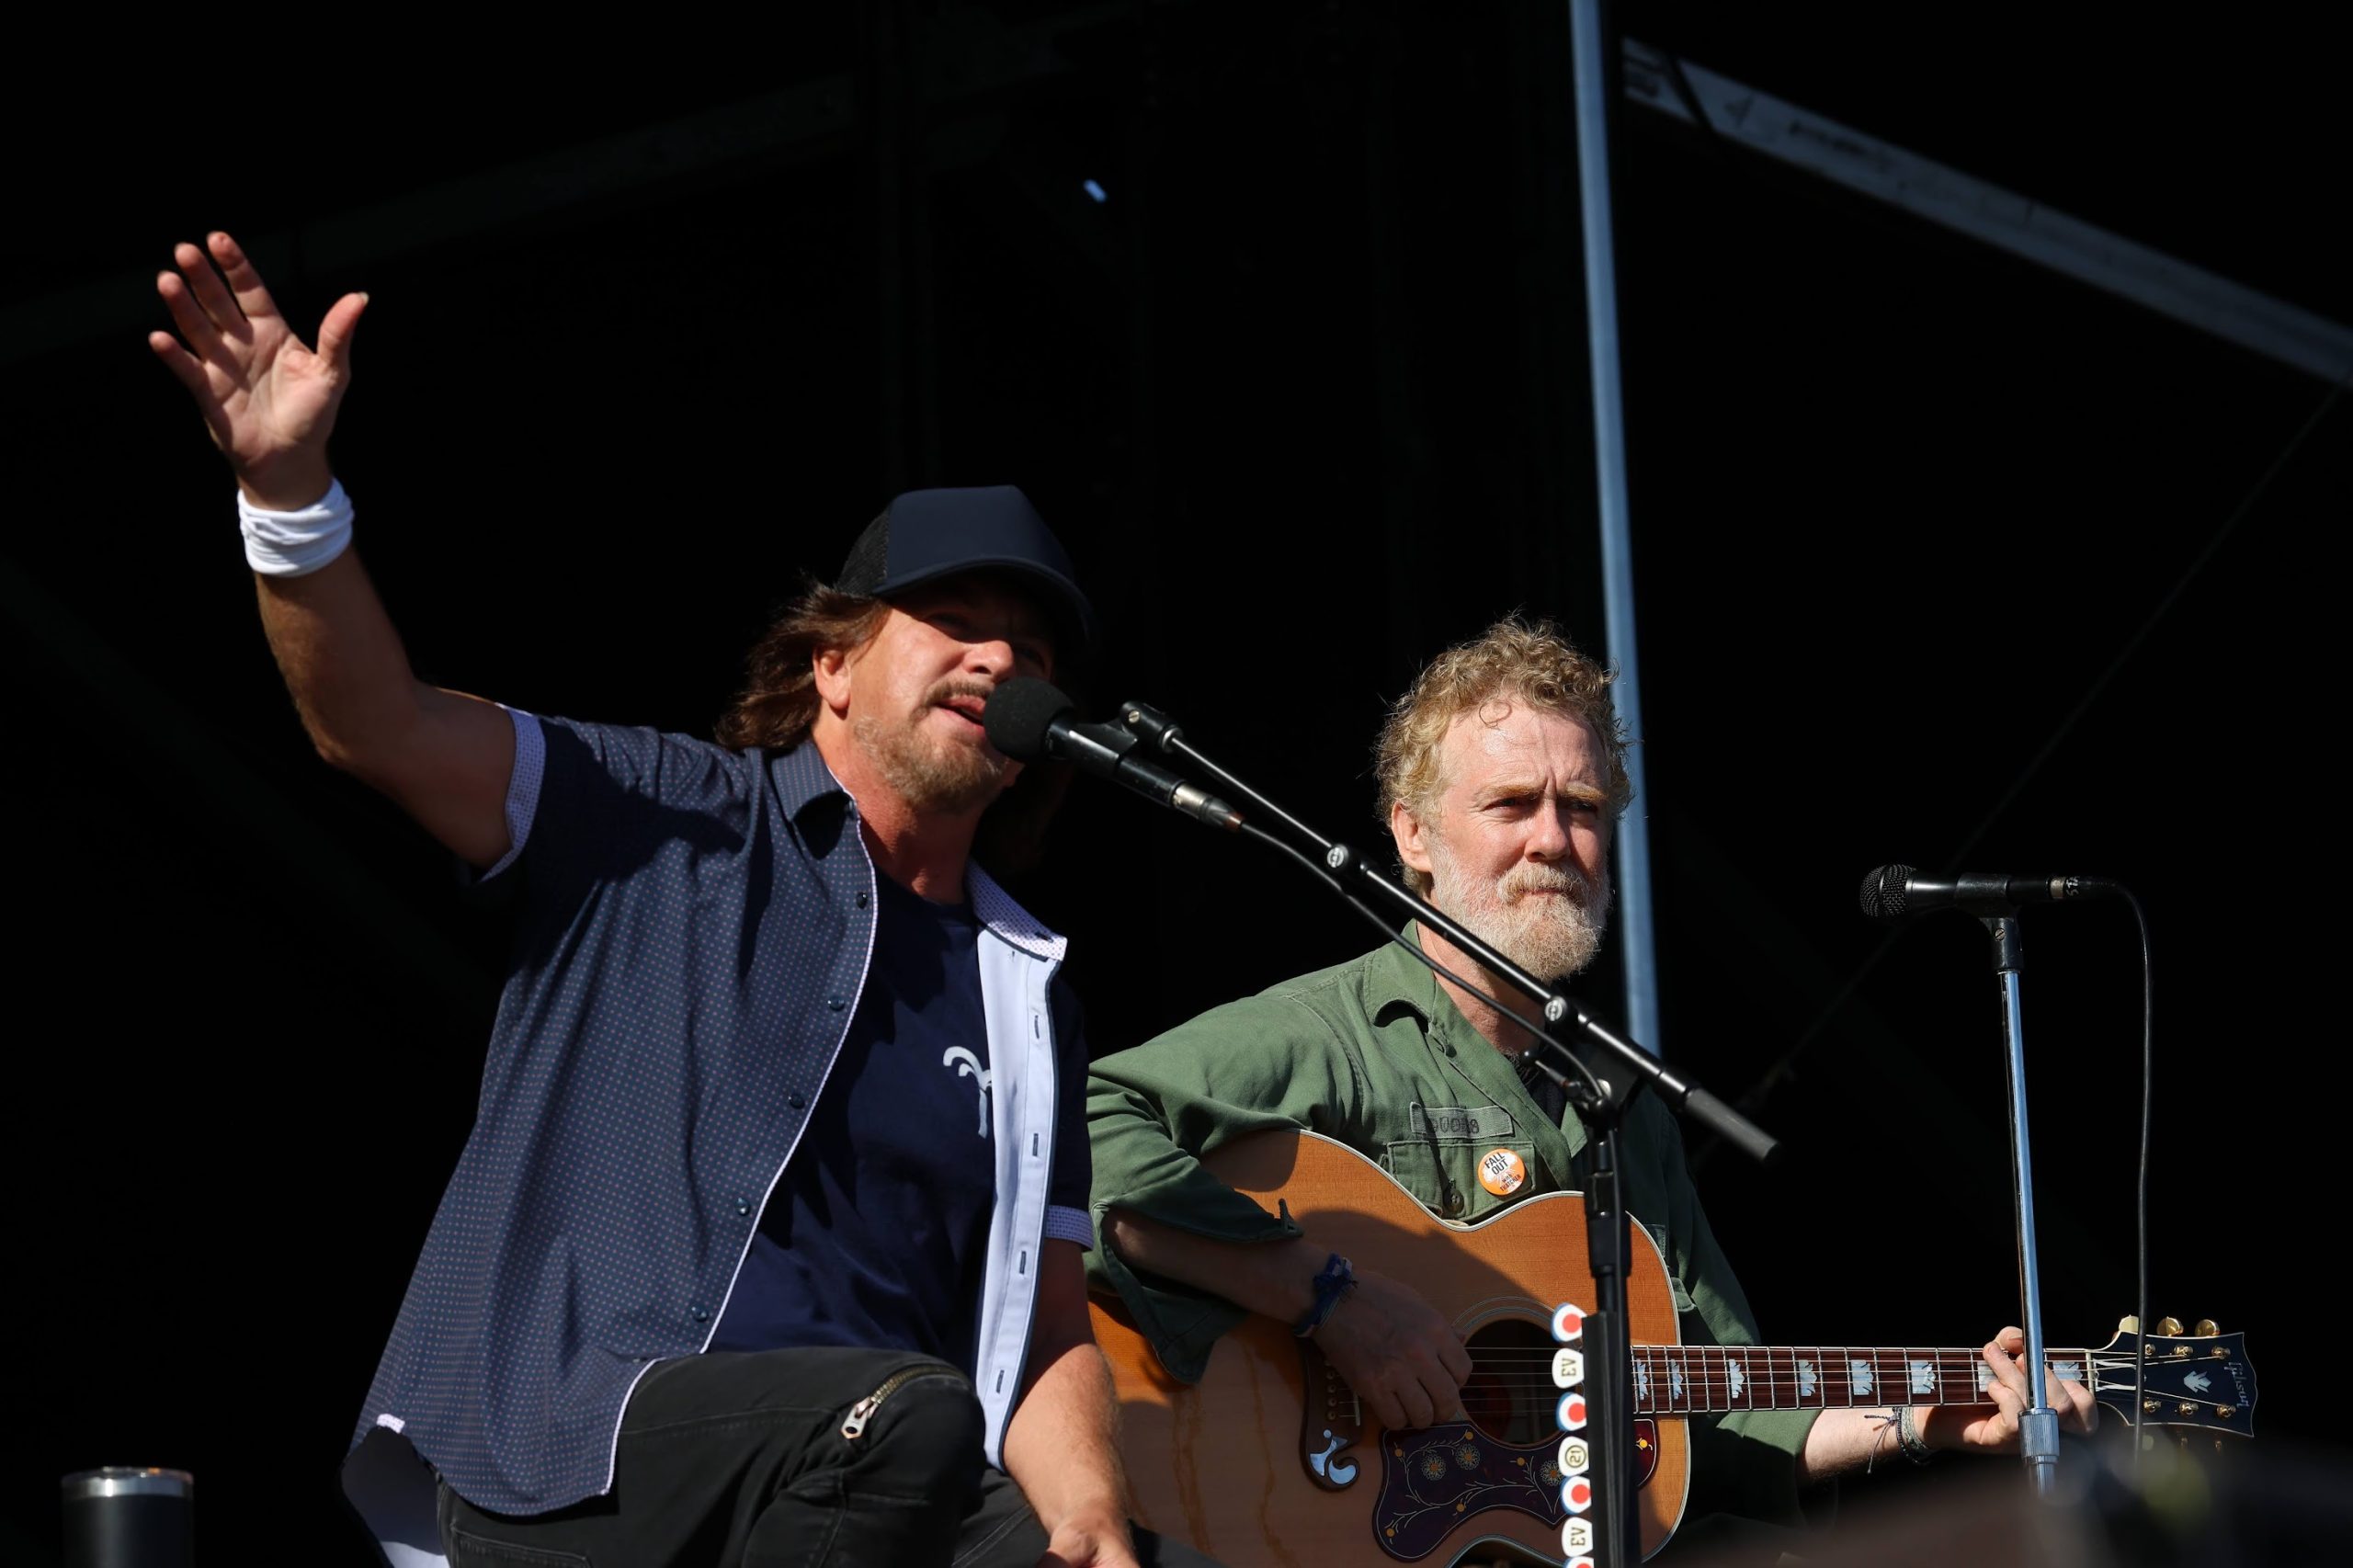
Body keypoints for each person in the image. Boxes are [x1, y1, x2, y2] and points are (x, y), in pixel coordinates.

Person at [150, 230, 1196, 1568]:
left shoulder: (1023, 985)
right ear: (831, 664)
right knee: (901, 1420)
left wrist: (1096, 1516)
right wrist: (289, 493)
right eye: (954, 618)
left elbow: (1049, 1335)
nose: (1000, 656)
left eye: (1034, 648)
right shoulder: (666, 817)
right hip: (577, 1457)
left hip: (881, 1487)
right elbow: (378, 724)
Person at [1084, 617, 2097, 1558]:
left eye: (1580, 807)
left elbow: (1723, 1393)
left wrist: (1921, 1415)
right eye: (1509, 803)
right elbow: (1083, 1125)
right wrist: (1325, 1296)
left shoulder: (1624, 1101)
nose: (1552, 839)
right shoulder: (1327, 1034)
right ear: (1412, 836)